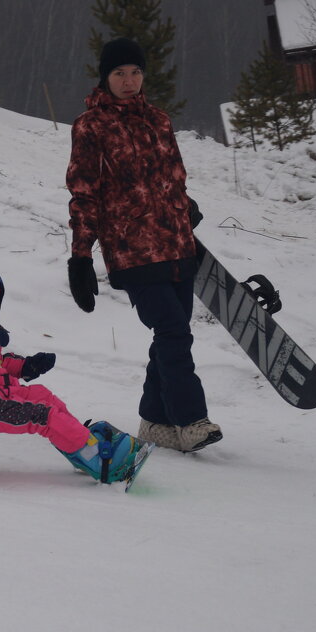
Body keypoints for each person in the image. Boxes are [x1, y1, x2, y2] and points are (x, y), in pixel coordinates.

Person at [65, 37, 222, 453]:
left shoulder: (159, 119)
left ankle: (155, 421)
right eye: (119, 73)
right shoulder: (91, 125)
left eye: (135, 72)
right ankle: (191, 419)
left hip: (175, 243)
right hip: (131, 250)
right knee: (172, 330)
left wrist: (184, 206)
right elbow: (84, 192)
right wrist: (81, 255)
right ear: (105, 77)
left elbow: (172, 176)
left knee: (171, 334)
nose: (129, 80)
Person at [0, 265, 148, 484]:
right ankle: (100, 461)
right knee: (45, 416)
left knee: (47, 398)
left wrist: (28, 366)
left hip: (8, 392)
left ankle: (84, 449)